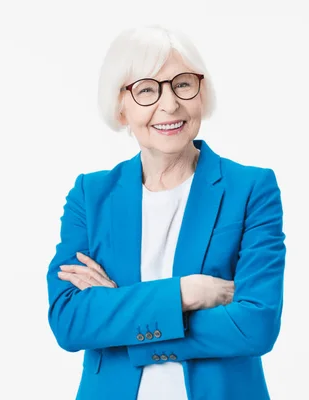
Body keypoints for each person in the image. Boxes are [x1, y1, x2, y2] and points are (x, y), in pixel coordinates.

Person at [45, 25, 286, 400]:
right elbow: (69, 320)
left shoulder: (250, 189)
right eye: (146, 90)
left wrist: (124, 318)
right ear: (120, 107)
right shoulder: (90, 196)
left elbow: (255, 325)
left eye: (183, 84)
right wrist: (184, 293)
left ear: (201, 93)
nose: (170, 104)